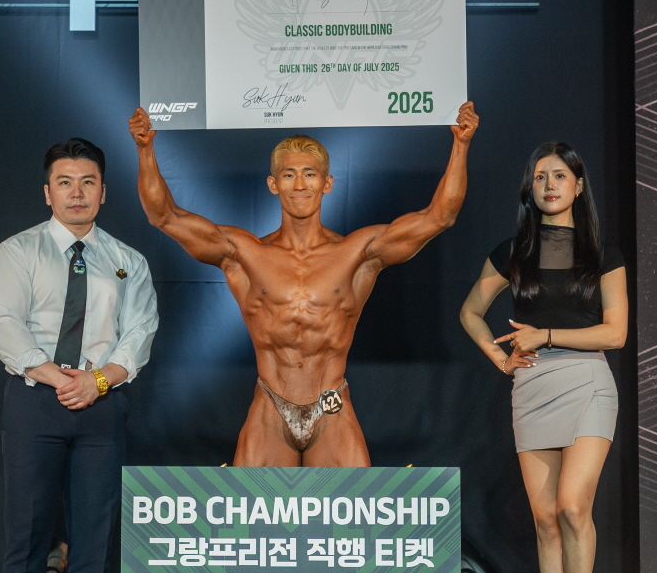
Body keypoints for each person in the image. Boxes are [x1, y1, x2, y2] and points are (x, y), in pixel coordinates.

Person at [129, 101, 478, 465]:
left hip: (331, 405)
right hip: (270, 405)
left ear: (327, 183)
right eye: (289, 174)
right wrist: (145, 148)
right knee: (252, 505)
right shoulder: (244, 253)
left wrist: (461, 144)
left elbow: (439, 217)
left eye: (310, 174)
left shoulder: (357, 253)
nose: (299, 184)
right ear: (273, 183)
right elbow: (164, 216)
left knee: (354, 505)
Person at [0, 136, 159, 573]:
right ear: (47, 192)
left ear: (103, 192)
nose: (76, 192)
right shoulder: (18, 252)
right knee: (27, 535)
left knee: (94, 537)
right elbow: (4, 324)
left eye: (87, 182)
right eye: (65, 182)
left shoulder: (127, 260)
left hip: (100, 404)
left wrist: (98, 381)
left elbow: (139, 333)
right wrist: (57, 377)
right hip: (36, 398)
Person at [456, 144, 626, 573]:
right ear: (529, 189)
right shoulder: (513, 252)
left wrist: (545, 335)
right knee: (547, 521)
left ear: (578, 184)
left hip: (587, 380)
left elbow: (615, 332)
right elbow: (469, 312)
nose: (549, 184)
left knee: (574, 507)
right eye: (539, 177)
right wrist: (499, 355)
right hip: (532, 386)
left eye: (559, 175)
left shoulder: (602, 252)